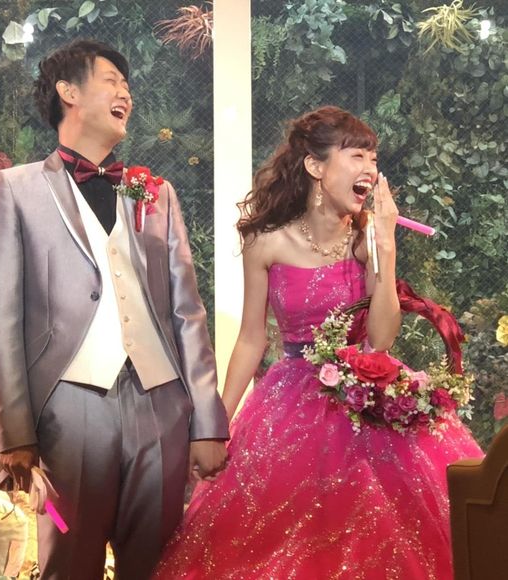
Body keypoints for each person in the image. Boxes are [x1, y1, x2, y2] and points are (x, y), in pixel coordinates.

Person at [154, 106, 483, 579]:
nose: (370, 168)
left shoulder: (366, 239)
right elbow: (251, 338)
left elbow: (381, 338)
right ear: (315, 166)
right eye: (357, 155)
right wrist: (215, 424)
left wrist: (386, 247)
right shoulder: (266, 242)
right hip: (288, 404)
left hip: (366, 397)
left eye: (373, 158)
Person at [0, 39, 228, 580]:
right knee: (69, 563)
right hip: (69, 406)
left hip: (161, 402)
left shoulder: (156, 194)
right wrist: (12, 432)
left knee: (161, 565)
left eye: (128, 85)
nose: (125, 93)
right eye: (112, 80)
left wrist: (207, 421)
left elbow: (188, 312)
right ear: (68, 92)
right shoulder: (15, 189)